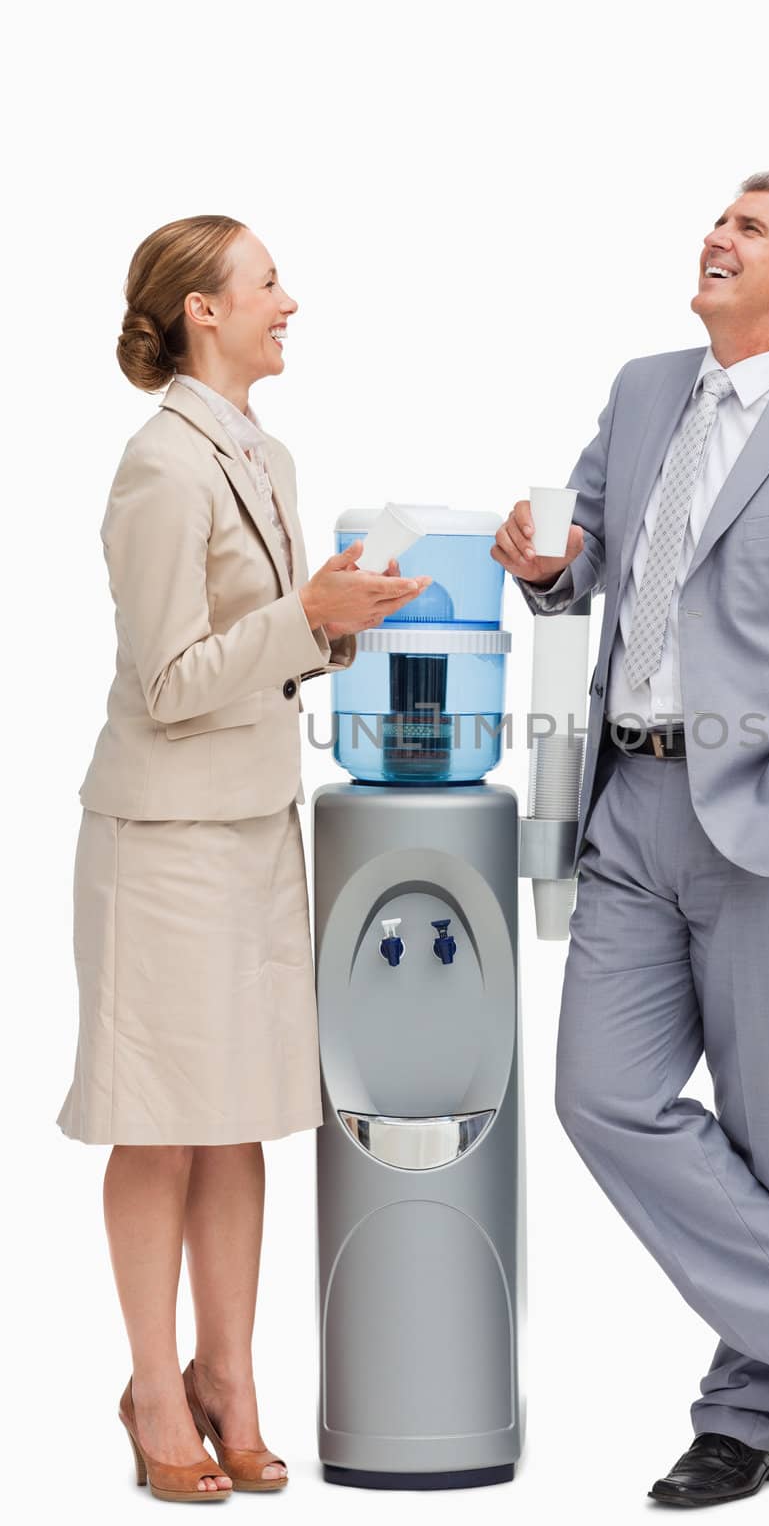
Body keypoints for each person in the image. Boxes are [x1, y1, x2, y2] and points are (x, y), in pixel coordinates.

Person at [493, 171, 769, 1506]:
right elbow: (587, 566)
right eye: (719, 219)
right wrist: (542, 563)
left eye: (751, 227)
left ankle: (745, 1420)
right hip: (629, 809)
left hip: (768, 825)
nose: (717, 235)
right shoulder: (645, 392)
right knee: (599, 1096)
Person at [57, 215, 431, 1503]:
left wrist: (331, 623)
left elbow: (262, 653)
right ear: (202, 311)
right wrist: (300, 619)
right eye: (267, 282)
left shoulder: (262, 456)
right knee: (162, 1129)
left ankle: (232, 1380)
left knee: (241, 1128)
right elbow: (165, 684)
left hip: (254, 828)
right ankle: (155, 1391)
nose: (290, 301)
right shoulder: (162, 466)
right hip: (163, 843)